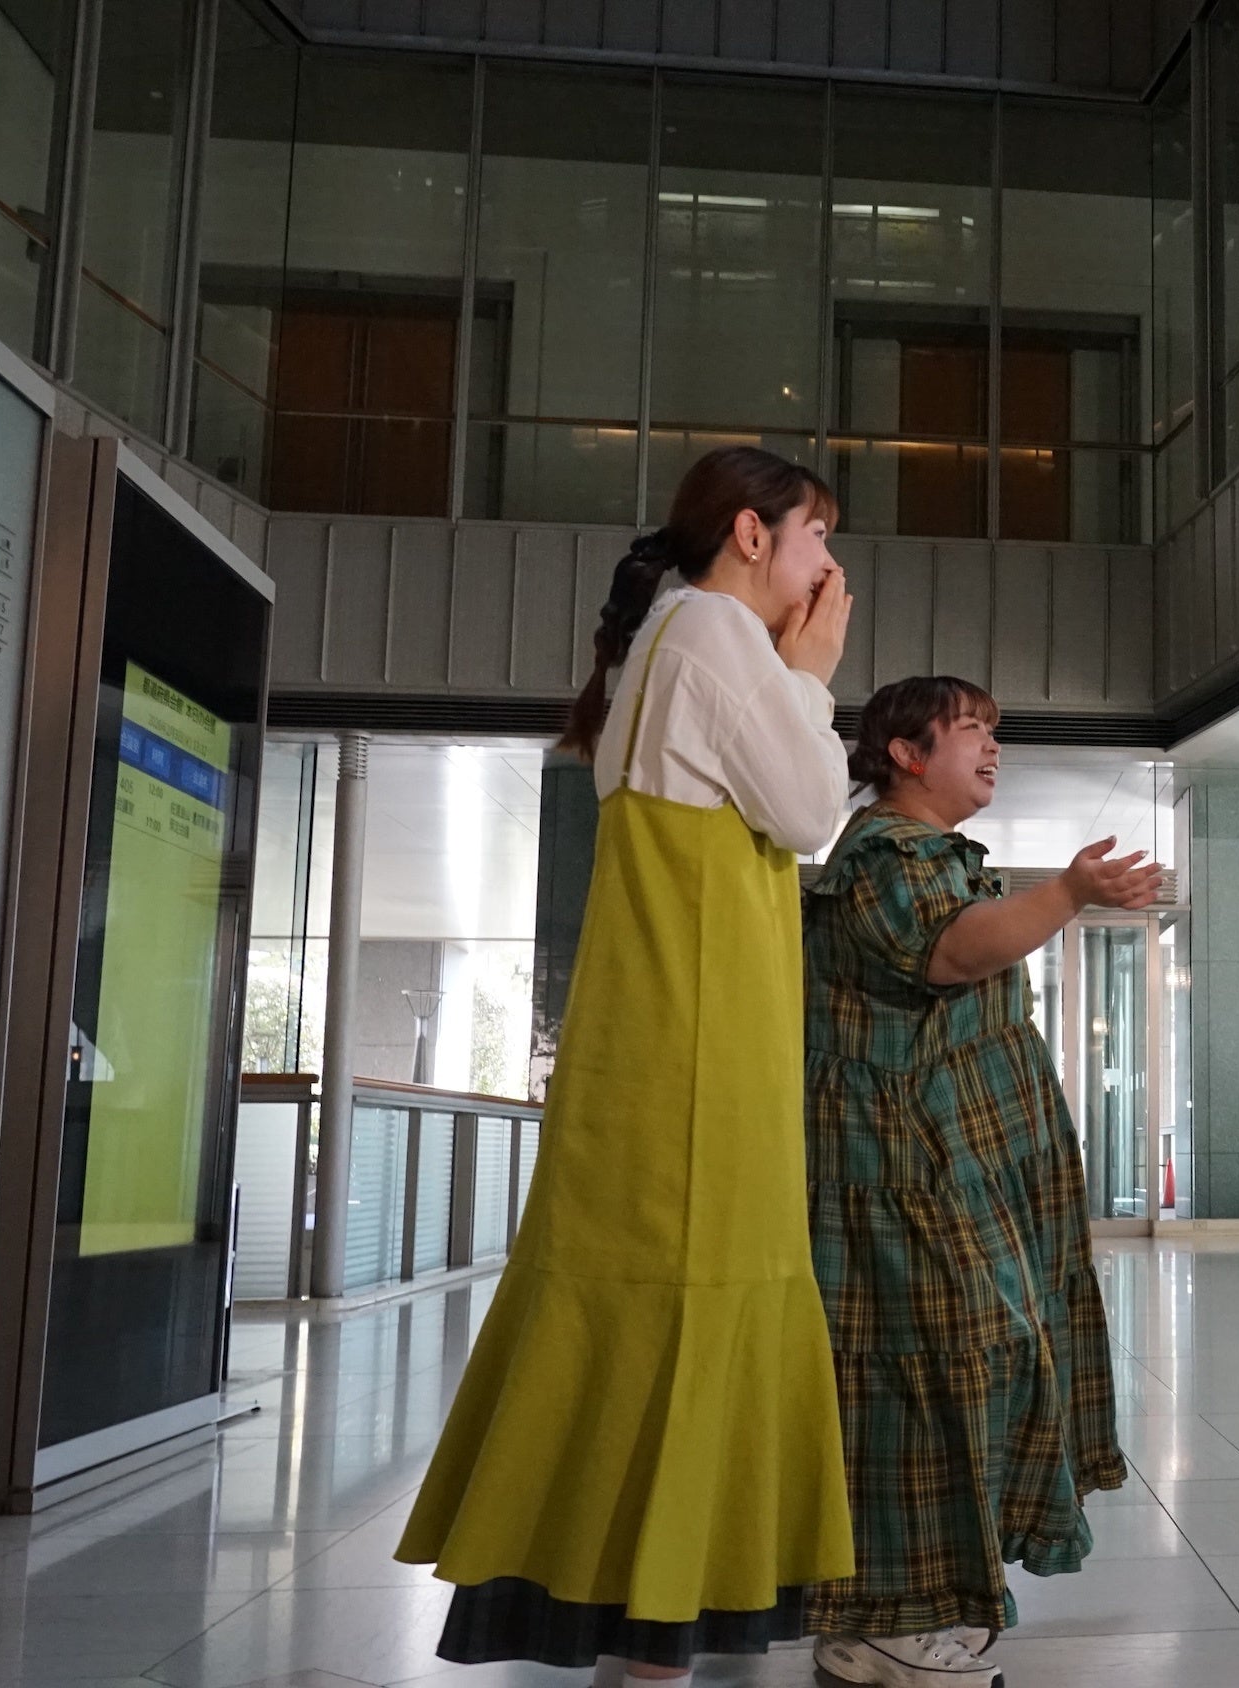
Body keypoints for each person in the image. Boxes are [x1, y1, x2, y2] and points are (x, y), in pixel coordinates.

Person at [396, 446, 860, 1684]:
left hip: (660, 1033)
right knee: (699, 1282)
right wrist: (811, 678)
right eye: (817, 535)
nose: (829, 565)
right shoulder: (716, 632)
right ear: (752, 535)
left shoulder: (668, 636)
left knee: (645, 1289)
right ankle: (658, 1630)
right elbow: (811, 812)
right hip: (702, 1042)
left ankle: (636, 1634)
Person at [800, 675, 1157, 1688]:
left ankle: (922, 1605)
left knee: (974, 1359)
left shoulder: (935, 854)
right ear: (906, 753)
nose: (993, 749)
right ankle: (884, 1622)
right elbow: (949, 952)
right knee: (926, 1373)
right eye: (970, 731)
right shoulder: (884, 856)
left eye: (995, 732)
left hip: (944, 1165)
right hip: (900, 1173)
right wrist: (1070, 893)